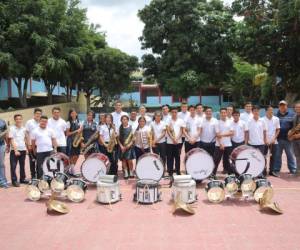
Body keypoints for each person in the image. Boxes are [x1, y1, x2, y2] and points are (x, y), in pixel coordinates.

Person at [274, 100, 297, 174]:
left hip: (288, 139)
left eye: (284, 105)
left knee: (290, 155)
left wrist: (292, 134)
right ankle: (277, 170)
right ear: (279, 106)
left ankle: (293, 170)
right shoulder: (275, 115)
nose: (282, 107)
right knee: (277, 156)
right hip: (278, 139)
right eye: (281, 105)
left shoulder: (292, 114)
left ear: (286, 106)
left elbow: (295, 126)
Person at [245, 106, 267, 176]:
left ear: (259, 111)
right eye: (254, 111)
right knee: (252, 159)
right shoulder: (249, 121)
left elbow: (264, 131)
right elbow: (247, 132)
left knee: (261, 159)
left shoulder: (263, 121)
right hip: (251, 143)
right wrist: (246, 143)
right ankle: (253, 173)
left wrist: (265, 140)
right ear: (252, 112)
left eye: (257, 111)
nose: (256, 112)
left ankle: (261, 173)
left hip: (261, 143)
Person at [9, 114, 29, 187]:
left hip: (23, 149)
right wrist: (15, 150)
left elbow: (25, 139)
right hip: (15, 151)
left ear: (22, 119)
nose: (18, 120)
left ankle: (22, 179)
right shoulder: (12, 128)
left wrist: (26, 148)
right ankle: (14, 181)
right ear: (15, 120)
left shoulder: (24, 129)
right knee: (13, 166)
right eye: (17, 119)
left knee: (22, 165)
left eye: (20, 119)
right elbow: (11, 140)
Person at [213, 108, 234, 177]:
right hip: (219, 145)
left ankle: (230, 175)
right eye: (222, 112)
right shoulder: (217, 122)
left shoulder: (230, 122)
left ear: (226, 113)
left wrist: (222, 135)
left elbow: (231, 133)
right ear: (220, 113)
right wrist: (221, 144)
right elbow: (217, 134)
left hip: (228, 144)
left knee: (228, 161)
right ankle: (213, 174)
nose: (223, 114)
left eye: (224, 112)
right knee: (216, 160)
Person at [166, 107, 185, 176]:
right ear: (170, 113)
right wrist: (172, 138)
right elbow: (167, 130)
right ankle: (170, 172)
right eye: (172, 112)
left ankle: (178, 171)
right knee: (170, 157)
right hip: (169, 142)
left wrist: (176, 139)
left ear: (177, 113)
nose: (174, 113)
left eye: (175, 112)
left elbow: (181, 131)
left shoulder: (181, 120)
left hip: (178, 142)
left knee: (177, 157)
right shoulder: (168, 120)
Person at [263, 106, 280, 177]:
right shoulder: (262, 119)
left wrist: (274, 139)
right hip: (264, 141)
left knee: (273, 157)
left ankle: (271, 171)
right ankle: (263, 171)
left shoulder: (276, 119)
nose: (271, 111)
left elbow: (278, 129)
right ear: (266, 111)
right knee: (263, 157)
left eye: (272, 110)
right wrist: (265, 139)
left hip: (274, 141)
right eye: (270, 110)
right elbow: (262, 131)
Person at [25, 108, 42, 179]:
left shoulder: (41, 122)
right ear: (34, 114)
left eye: (40, 114)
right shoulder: (29, 122)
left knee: (39, 161)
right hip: (31, 145)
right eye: (37, 114)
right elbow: (26, 133)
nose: (38, 115)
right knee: (32, 161)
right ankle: (33, 176)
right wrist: (28, 144)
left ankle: (39, 176)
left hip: (40, 145)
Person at [288, 101, 300, 174]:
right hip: (295, 140)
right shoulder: (295, 116)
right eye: (296, 107)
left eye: (299, 107)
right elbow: (294, 127)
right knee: (297, 156)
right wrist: (290, 132)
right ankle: (298, 171)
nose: (298, 108)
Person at [0, 118, 9, 188]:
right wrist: (6, 130)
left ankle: (3, 181)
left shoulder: (2, 121)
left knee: (1, 164)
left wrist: (8, 145)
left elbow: (6, 135)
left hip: (1, 145)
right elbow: (6, 132)